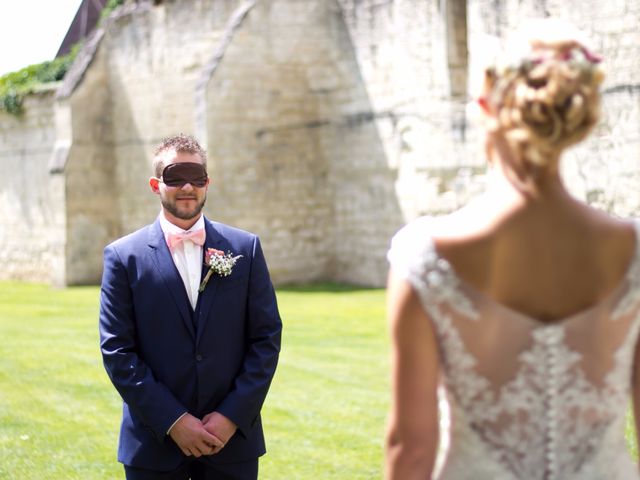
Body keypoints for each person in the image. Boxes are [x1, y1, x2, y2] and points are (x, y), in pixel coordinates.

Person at [385, 19, 640, 480]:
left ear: (485, 108)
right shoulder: (633, 251)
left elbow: (411, 448)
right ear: (578, 119)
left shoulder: (425, 254)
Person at [99, 134, 282, 480]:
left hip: (231, 443)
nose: (187, 186)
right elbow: (117, 351)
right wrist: (173, 421)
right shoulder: (124, 257)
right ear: (155, 184)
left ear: (207, 183)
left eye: (196, 177)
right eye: (174, 176)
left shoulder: (246, 248)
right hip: (154, 444)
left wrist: (231, 416)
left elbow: (266, 338)